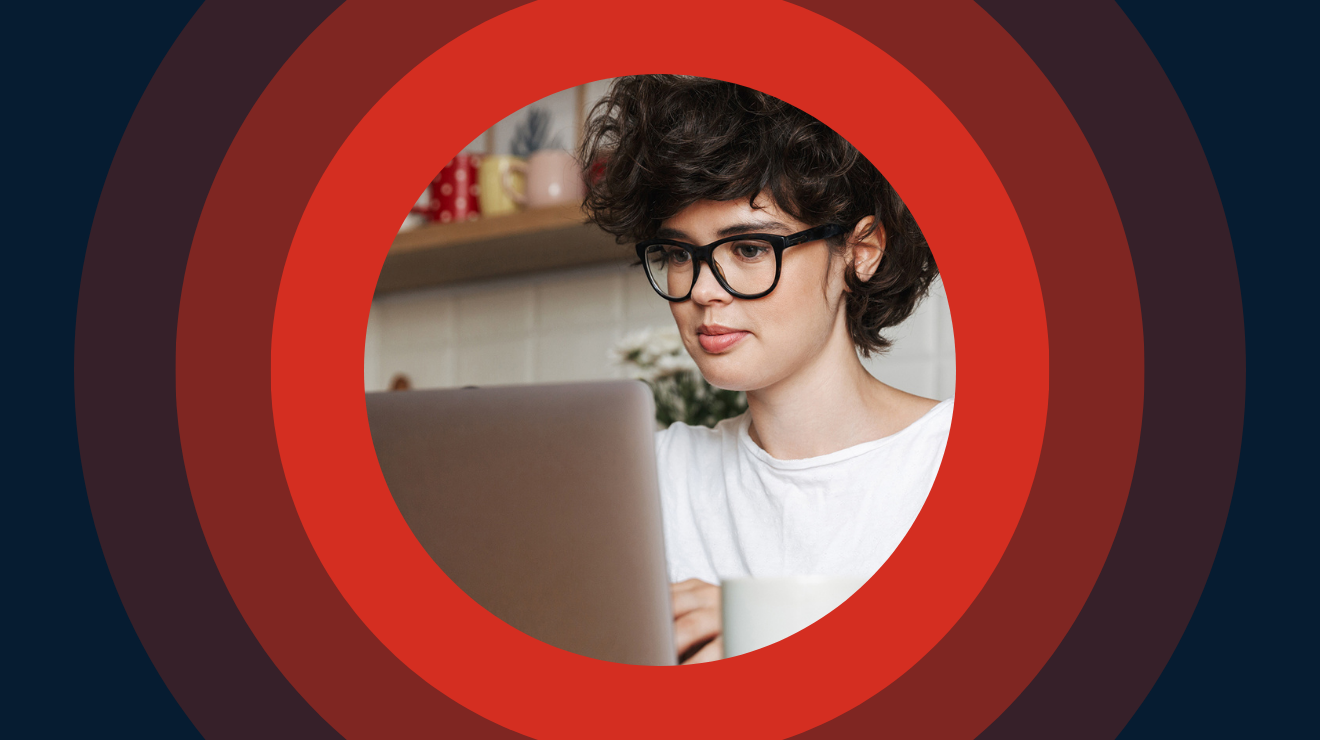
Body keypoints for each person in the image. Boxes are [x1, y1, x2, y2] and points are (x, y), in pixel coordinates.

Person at [578, 76, 952, 664]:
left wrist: (770, 628)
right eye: (679, 254)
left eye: (750, 249)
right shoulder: (653, 477)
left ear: (862, 250)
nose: (702, 290)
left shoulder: (953, 458)